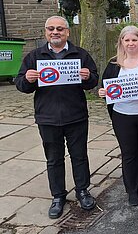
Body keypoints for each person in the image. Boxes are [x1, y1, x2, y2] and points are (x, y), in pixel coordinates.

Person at [15, 16, 98, 219]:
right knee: (54, 159)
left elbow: (94, 79)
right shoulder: (35, 56)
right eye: (51, 29)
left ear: (67, 32)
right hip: (48, 117)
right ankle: (58, 196)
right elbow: (20, 84)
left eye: (60, 29)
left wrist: (89, 77)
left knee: (79, 156)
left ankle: (82, 190)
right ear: (46, 32)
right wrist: (26, 79)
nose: (55, 32)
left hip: (76, 116)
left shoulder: (80, 54)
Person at [98, 26, 138, 206]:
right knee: (128, 154)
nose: (131, 43)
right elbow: (106, 87)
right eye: (127, 40)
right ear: (121, 43)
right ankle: (131, 190)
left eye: (134, 39)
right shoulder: (113, 64)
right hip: (122, 116)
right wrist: (103, 92)